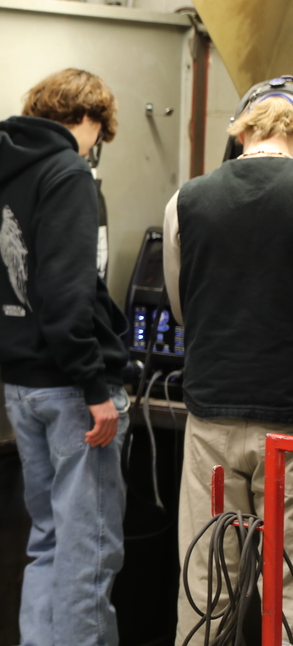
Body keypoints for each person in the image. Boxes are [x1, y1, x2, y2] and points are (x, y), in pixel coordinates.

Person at [0, 68, 130, 646]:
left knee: (49, 541)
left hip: (19, 383)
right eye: (100, 135)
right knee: (89, 554)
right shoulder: (68, 173)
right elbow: (66, 295)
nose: (96, 147)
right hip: (71, 389)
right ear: (89, 120)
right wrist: (95, 389)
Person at [164, 80, 293, 644]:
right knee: (287, 590)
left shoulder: (186, 199)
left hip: (210, 415)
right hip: (288, 425)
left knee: (206, 582)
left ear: (240, 133)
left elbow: (180, 304)